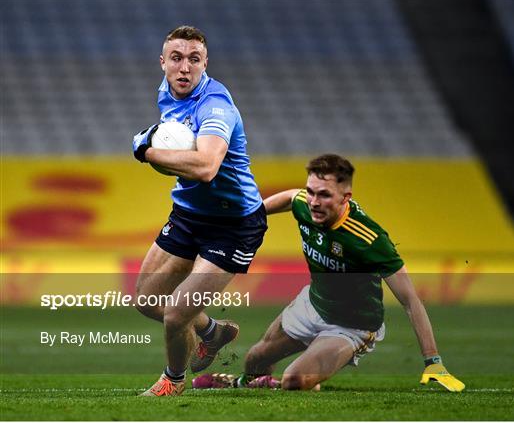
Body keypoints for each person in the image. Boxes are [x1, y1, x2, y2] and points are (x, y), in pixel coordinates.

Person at [192, 154, 464, 392]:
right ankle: (245, 383)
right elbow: (291, 197)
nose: (313, 202)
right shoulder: (304, 204)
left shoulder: (369, 239)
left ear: (346, 198)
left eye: (324, 195)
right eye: (311, 191)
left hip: (351, 326)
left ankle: (300, 376)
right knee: (255, 360)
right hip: (313, 304)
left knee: (294, 380)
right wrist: (249, 217)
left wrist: (433, 361)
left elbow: (410, 301)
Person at [132, 25, 267, 396]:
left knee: (176, 313)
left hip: (233, 225)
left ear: (205, 63)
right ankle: (212, 331)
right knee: (146, 300)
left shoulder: (216, 105)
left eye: (194, 59)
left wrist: (146, 150)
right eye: (176, 58)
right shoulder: (167, 92)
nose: (185, 68)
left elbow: (207, 167)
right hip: (189, 214)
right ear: (163, 63)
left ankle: (173, 382)